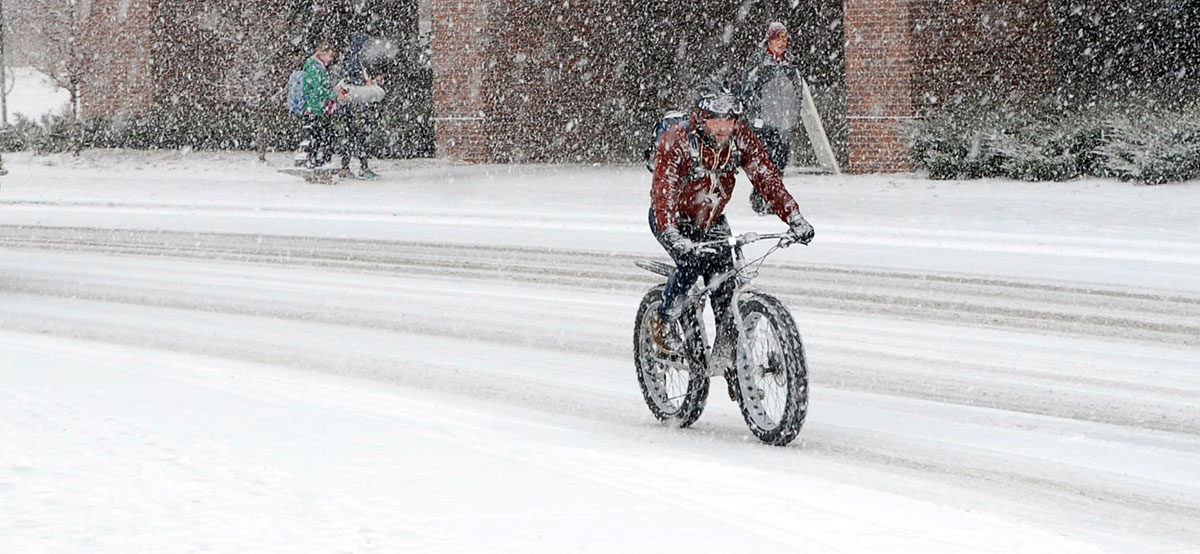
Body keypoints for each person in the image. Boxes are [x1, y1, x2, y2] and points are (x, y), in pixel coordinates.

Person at [647, 79, 815, 395]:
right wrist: (672, 234)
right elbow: (663, 192)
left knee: (726, 291)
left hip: (712, 221)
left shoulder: (738, 139)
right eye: (716, 119)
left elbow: (766, 177)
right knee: (690, 265)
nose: (724, 127)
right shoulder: (677, 141)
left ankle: (733, 365)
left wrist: (794, 216)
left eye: (729, 119)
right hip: (673, 221)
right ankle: (664, 319)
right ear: (700, 117)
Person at [741, 21, 807, 215]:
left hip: (785, 122)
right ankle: (760, 197)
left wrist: (794, 115)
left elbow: (798, 90)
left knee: (779, 161)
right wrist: (755, 116)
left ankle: (773, 199)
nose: (782, 42)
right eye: (778, 38)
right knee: (765, 162)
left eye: (784, 38)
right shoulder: (759, 63)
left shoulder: (791, 63)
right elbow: (747, 91)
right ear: (769, 40)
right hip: (764, 122)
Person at [332, 32, 383, 179]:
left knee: (352, 136)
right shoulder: (355, 60)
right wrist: (367, 82)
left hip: (354, 105)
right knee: (360, 135)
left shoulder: (355, 59)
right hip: (356, 106)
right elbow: (352, 79)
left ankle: (347, 167)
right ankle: (360, 167)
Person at [301, 40, 347, 169]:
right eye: (330, 55)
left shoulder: (319, 67)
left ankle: (320, 161)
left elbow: (322, 87)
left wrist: (334, 90)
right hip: (315, 108)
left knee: (324, 136)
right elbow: (318, 90)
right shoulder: (314, 67)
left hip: (320, 107)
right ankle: (317, 161)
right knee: (321, 136)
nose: (332, 59)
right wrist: (335, 95)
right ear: (322, 53)